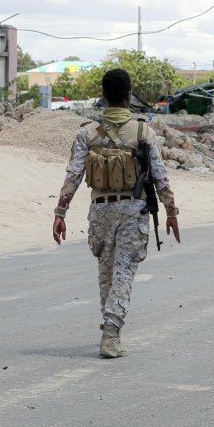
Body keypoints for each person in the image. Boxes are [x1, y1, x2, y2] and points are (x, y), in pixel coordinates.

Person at [52, 68, 181, 359]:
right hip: (132, 212)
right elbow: (160, 176)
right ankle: (111, 335)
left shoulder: (86, 133)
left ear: (103, 96)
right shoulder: (142, 131)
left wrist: (60, 212)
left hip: (99, 212)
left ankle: (110, 328)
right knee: (123, 272)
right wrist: (171, 211)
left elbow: (73, 175)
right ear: (128, 96)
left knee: (106, 272)